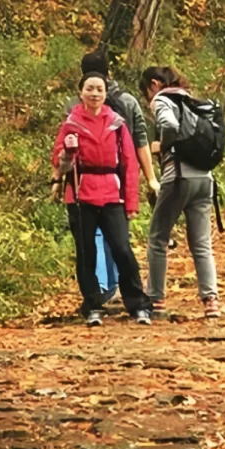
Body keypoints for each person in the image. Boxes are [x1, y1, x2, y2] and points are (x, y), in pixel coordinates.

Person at [52, 73, 152, 327]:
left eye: (99, 89)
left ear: (106, 93)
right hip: (80, 194)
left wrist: (131, 202)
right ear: (80, 92)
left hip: (112, 194)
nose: (94, 94)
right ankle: (93, 304)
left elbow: (129, 164)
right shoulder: (71, 123)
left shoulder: (117, 124)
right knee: (86, 252)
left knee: (122, 248)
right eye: (89, 89)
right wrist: (67, 153)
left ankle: (138, 303)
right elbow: (59, 163)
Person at [64, 50, 161, 304]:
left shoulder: (72, 104)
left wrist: (59, 178)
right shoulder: (128, 101)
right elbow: (141, 141)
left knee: (91, 240)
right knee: (118, 240)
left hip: (84, 181)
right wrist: (150, 178)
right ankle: (118, 288)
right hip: (119, 179)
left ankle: (104, 290)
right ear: (111, 71)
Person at [139, 65, 220, 319]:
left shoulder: (162, 100)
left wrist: (160, 146)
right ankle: (211, 301)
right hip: (205, 179)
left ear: (154, 84)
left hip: (179, 178)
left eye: (146, 93)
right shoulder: (190, 98)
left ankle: (156, 299)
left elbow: (170, 126)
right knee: (201, 243)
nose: (148, 100)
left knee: (157, 237)